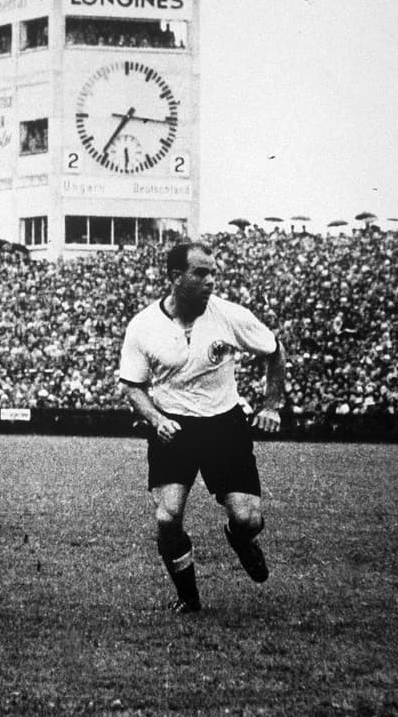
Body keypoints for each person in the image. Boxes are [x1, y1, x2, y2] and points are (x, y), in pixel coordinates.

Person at [118, 242, 287, 613]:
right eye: (201, 273)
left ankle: (240, 539)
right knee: (167, 517)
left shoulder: (230, 315)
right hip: (173, 426)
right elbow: (132, 385)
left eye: (213, 272)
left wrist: (272, 405)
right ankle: (188, 597)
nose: (211, 280)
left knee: (248, 518)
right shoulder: (144, 325)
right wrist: (156, 419)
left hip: (224, 425)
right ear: (175, 277)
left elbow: (274, 350)